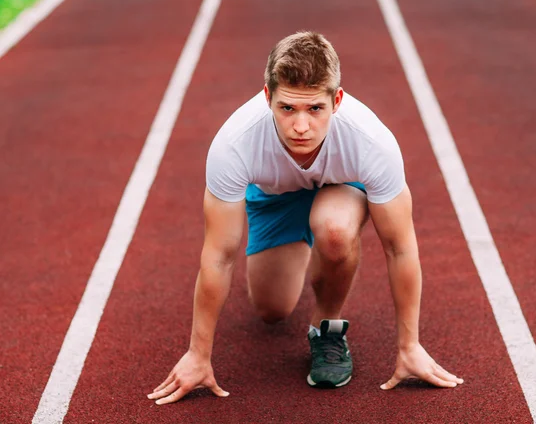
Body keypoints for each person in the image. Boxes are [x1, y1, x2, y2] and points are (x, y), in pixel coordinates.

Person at [148, 31, 463, 404]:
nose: (301, 126)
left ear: (337, 100)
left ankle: (326, 326)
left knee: (333, 231)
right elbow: (219, 254)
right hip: (275, 194)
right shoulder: (234, 144)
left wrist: (409, 346)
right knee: (272, 311)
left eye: (315, 109)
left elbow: (399, 247)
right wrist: (198, 355)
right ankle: (306, 246)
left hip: (340, 187)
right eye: (287, 109)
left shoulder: (372, 142)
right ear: (267, 98)